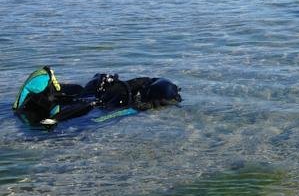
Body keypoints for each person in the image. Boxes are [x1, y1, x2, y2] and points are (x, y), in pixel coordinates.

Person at [12, 66, 182, 127]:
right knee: (88, 107)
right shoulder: (137, 104)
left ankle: (49, 86)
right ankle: (47, 113)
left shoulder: (143, 83)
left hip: (98, 86)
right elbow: (105, 117)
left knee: (80, 94)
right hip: (97, 99)